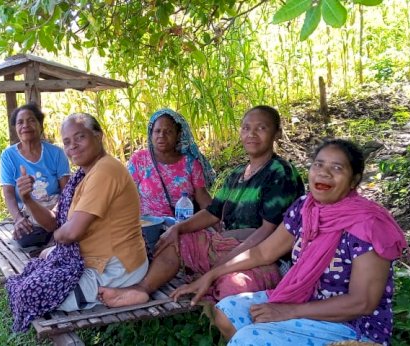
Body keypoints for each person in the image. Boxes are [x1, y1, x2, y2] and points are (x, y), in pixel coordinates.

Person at [171, 139, 407, 346]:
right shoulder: (305, 208)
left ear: (354, 181)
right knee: (227, 311)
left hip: (353, 324)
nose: (324, 173)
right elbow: (263, 252)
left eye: (337, 168)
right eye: (318, 165)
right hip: (306, 299)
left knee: (249, 339)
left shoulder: (368, 224)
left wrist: (288, 312)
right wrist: (211, 275)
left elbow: (362, 303)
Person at [99, 105, 304, 308]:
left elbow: (268, 233)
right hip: (229, 245)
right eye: (246, 128)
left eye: (261, 128)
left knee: (231, 287)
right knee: (175, 239)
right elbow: (213, 212)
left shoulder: (280, 173)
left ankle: (222, 308)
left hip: (263, 257)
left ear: (277, 133)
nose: (251, 134)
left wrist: (222, 265)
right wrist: (177, 228)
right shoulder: (237, 173)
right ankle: (142, 289)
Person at [13, 112, 149, 313]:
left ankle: (125, 292)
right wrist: (28, 200)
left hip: (116, 267)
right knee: (42, 258)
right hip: (94, 257)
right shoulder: (83, 177)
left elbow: (70, 233)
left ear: (98, 136)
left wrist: (57, 239)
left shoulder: (105, 170)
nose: (72, 146)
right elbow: (54, 223)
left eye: (80, 137)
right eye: (67, 142)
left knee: (28, 296)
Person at [0, 103, 70, 248]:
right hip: (29, 213)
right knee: (25, 238)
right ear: (16, 129)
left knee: (71, 227)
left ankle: (55, 236)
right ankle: (54, 238)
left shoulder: (56, 153)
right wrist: (18, 219)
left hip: (55, 208)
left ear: (40, 125)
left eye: (31, 120)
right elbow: (9, 195)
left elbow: (67, 191)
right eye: (20, 122)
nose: (25, 125)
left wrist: (57, 213)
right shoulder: (8, 156)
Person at [128, 108, 214, 217]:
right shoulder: (139, 160)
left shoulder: (190, 163)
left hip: (182, 226)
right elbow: (126, 196)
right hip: (149, 227)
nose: (161, 136)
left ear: (178, 135)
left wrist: (217, 221)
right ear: (151, 133)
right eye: (157, 131)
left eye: (168, 131)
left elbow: (202, 198)